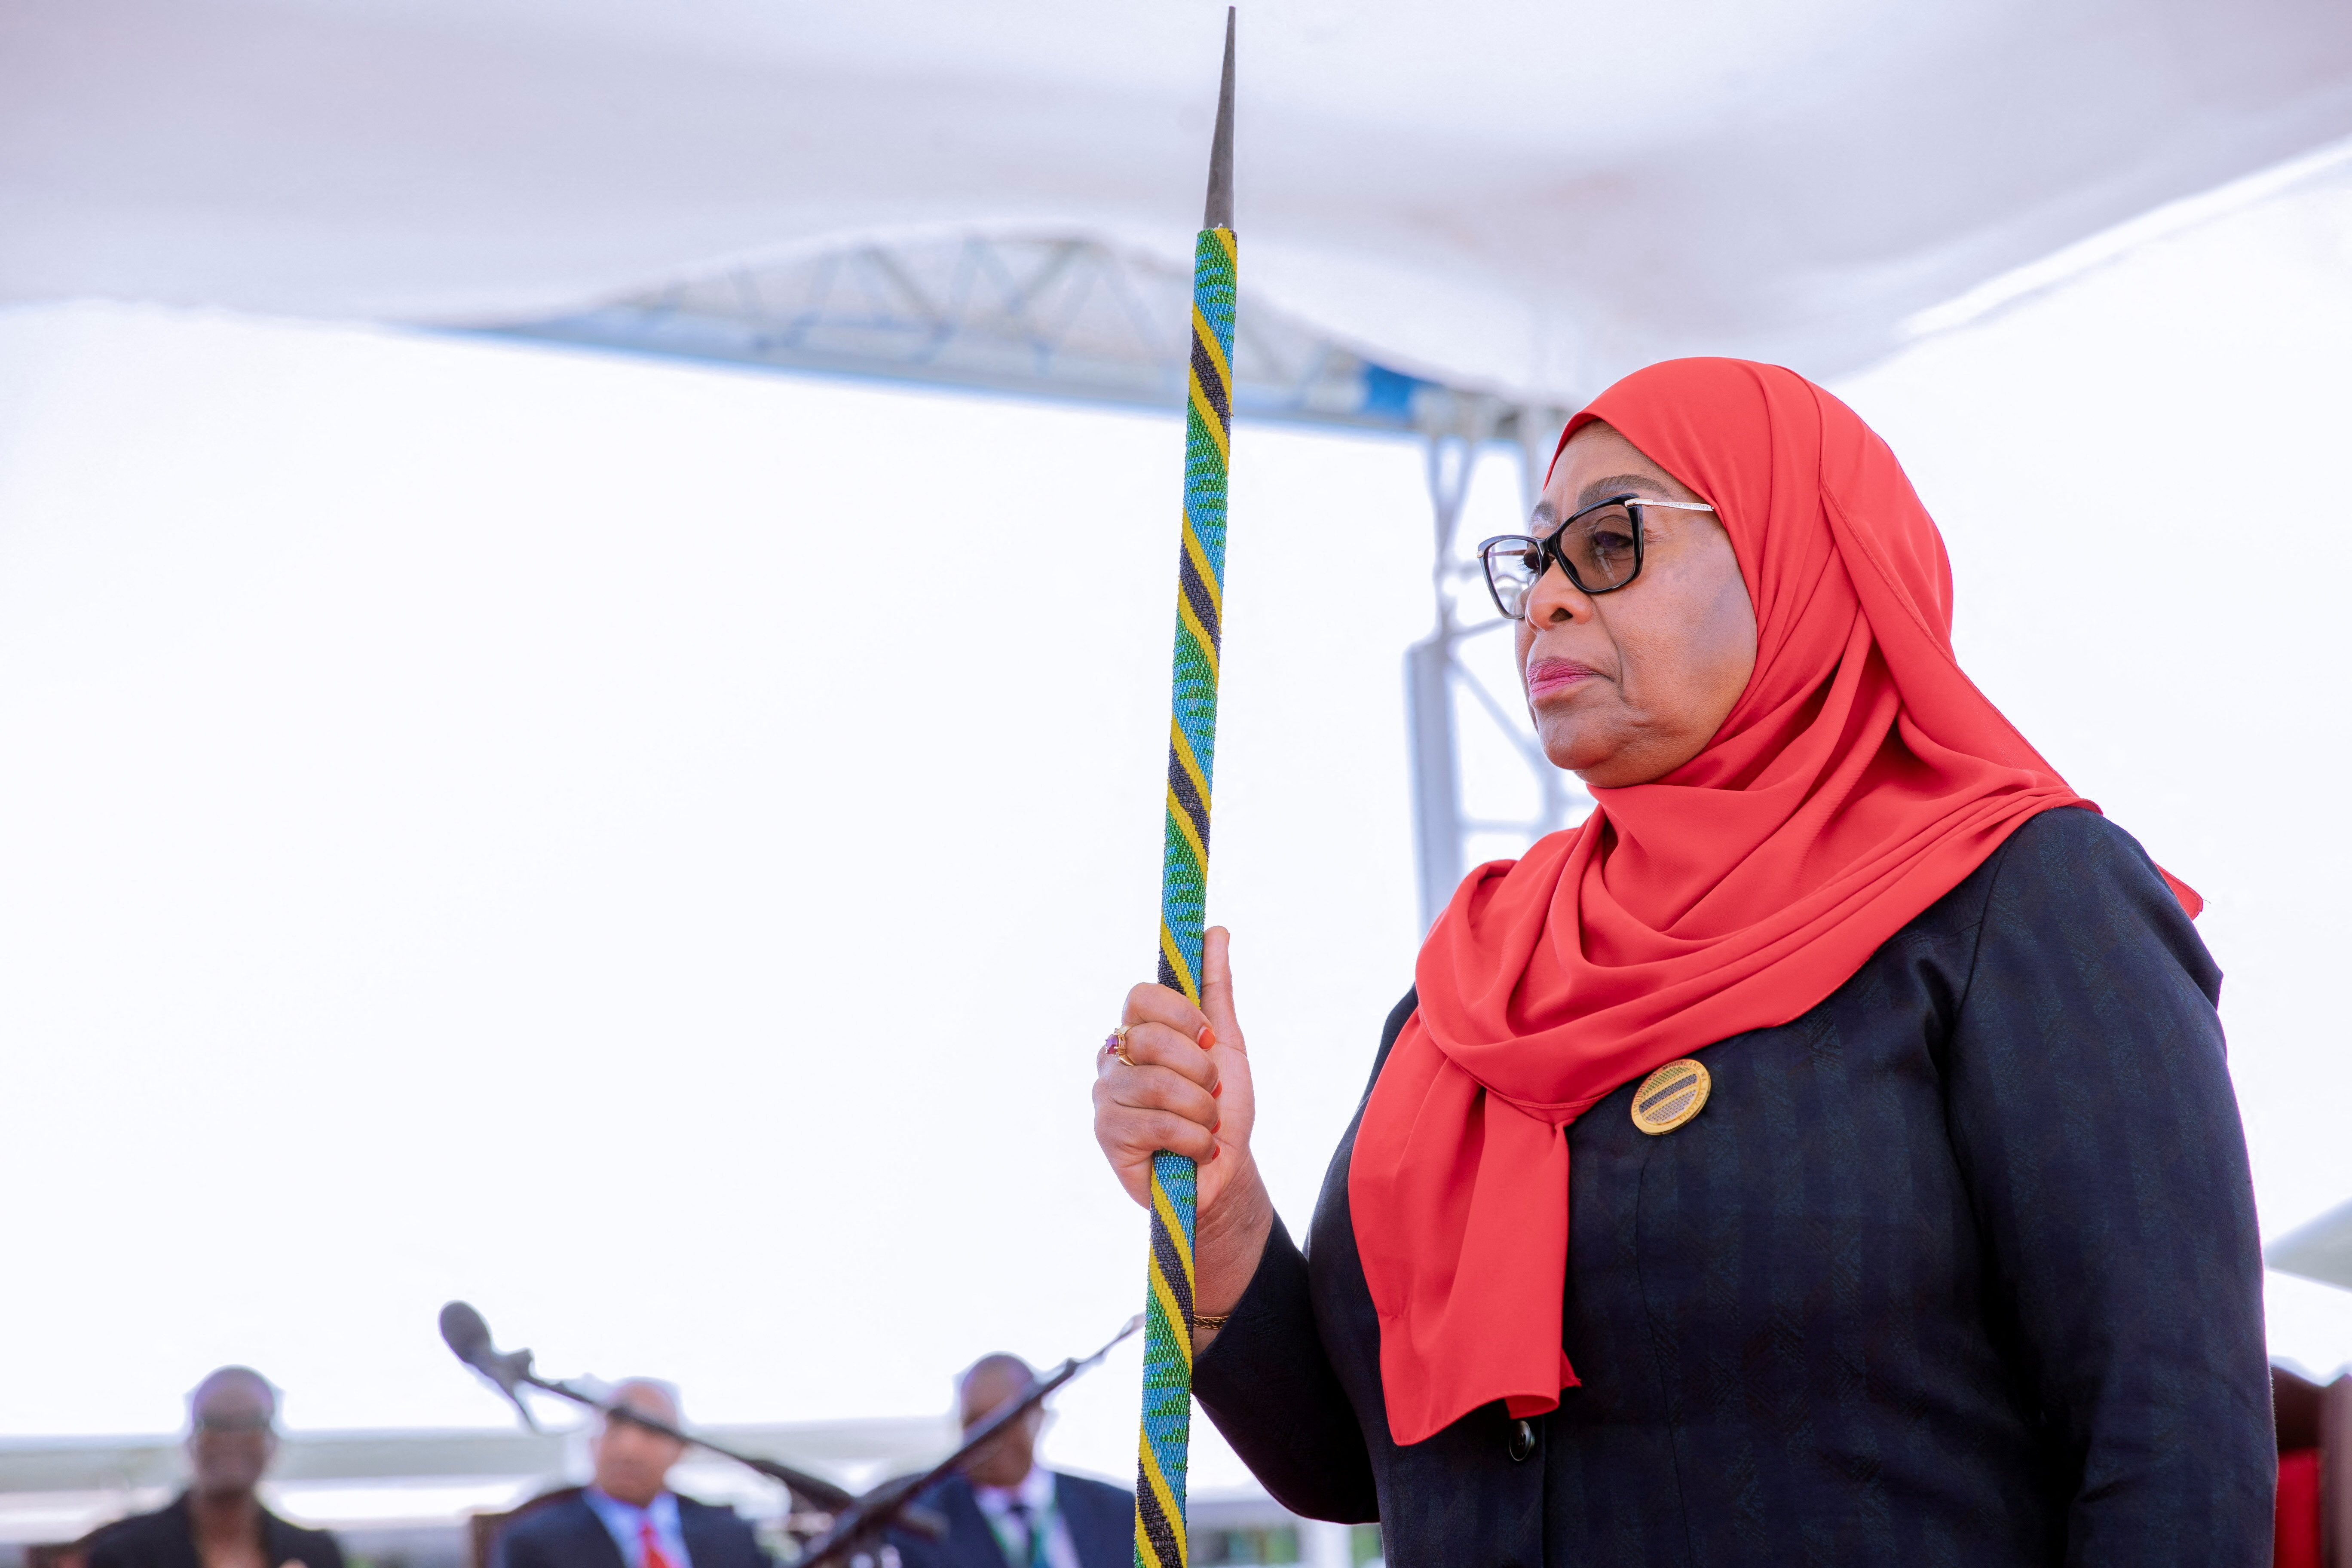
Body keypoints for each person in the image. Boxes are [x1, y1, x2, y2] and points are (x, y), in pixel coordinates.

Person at [1092, 357, 2274, 1565]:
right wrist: (1224, 1207)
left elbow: (2172, 1440)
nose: (1547, 599)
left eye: (1610, 544)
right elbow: (1351, 1464)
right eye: (1535, 559)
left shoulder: (2020, 901)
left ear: (1800, 555)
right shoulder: (1475, 981)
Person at [492, 1380, 769, 1568]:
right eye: (614, 1430)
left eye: (650, 1432)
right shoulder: (536, 1542)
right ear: (591, 1443)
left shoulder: (732, 1534)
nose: (629, 1450)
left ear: (681, 1448)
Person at [887, 1356, 1131, 1568]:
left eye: (1005, 1418)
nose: (989, 1436)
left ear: (1040, 1418)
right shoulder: (916, 1525)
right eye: (976, 1422)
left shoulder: (1120, 1512)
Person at [86, 1367, 343, 1568]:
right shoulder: (125, 1553)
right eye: (215, 1423)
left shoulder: (315, 1555)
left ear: (273, 1442)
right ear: (189, 1441)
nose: (231, 1437)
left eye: (250, 1422)